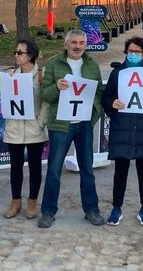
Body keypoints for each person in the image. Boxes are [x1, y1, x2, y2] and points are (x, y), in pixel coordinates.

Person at [37, 29, 105, 228]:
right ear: (66, 44)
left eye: (81, 42)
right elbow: (45, 95)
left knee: (87, 170)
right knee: (54, 171)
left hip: (83, 124)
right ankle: (48, 212)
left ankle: (91, 210)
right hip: (61, 125)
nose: (78, 46)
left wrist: (92, 117)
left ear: (85, 44)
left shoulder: (92, 66)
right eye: (74, 42)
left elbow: (98, 93)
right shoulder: (53, 63)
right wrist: (56, 87)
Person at [101, 36, 143, 226]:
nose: (134, 55)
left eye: (138, 52)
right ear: (126, 53)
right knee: (120, 168)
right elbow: (106, 97)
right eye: (131, 51)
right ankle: (116, 208)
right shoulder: (117, 73)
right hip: (122, 125)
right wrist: (111, 103)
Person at [1, 38, 47, 219]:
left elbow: (46, 102)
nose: (16, 55)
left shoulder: (41, 75)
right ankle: (15, 201)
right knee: (15, 166)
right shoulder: (12, 74)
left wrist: (40, 122)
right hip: (14, 128)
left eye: (20, 52)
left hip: (34, 128)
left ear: (31, 55)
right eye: (15, 52)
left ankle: (32, 202)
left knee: (35, 167)